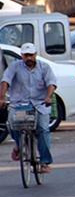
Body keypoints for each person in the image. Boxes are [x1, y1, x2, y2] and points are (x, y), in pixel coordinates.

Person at [0, 43, 58, 173]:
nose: (29, 58)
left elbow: (51, 83)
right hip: (20, 104)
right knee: (12, 125)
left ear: (35, 55)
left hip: (39, 104)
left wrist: (48, 96)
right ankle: (19, 146)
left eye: (31, 55)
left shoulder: (44, 67)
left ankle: (44, 162)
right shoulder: (15, 66)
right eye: (26, 55)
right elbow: (5, 81)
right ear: (22, 56)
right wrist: (2, 97)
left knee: (43, 130)